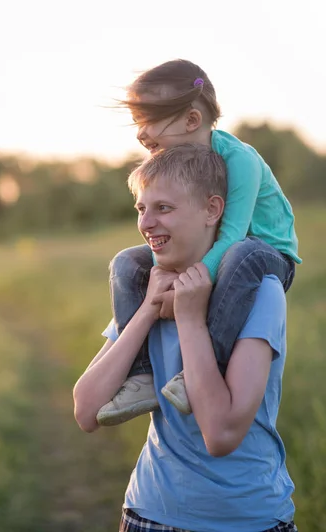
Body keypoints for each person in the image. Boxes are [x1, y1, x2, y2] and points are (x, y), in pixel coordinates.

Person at [73, 144, 297, 532]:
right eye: (142, 209)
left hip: (246, 519)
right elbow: (87, 411)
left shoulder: (261, 292)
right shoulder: (145, 288)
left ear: (212, 210)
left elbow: (220, 435)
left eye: (164, 208)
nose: (147, 223)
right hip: (147, 513)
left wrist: (191, 320)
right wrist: (146, 311)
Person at [97, 59, 300, 426]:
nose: (140, 135)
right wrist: (160, 277)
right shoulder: (175, 165)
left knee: (241, 253)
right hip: (216, 253)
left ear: (191, 121)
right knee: (128, 262)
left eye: (148, 121)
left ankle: (208, 369)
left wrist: (186, 285)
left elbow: (233, 235)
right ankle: (141, 375)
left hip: (265, 255)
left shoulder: (239, 160)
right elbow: (165, 227)